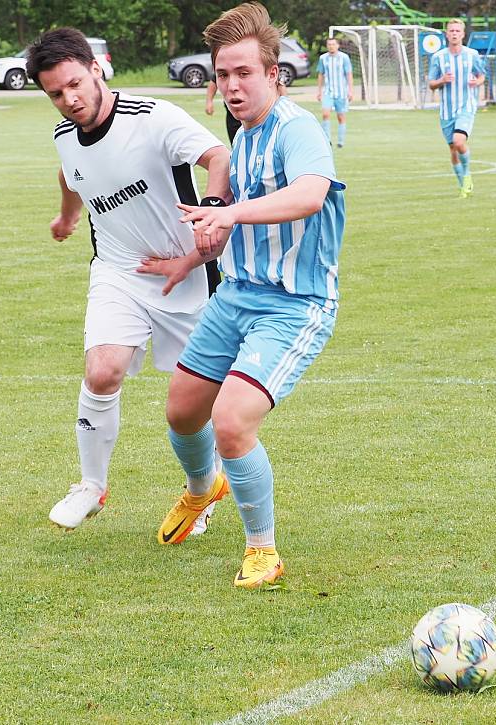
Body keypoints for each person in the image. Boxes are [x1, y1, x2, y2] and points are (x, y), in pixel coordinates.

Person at [156, 1, 346, 589]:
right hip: (235, 296)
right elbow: (230, 227)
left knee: (232, 421)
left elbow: (311, 194)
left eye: (244, 73)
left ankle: (263, 548)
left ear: (274, 75)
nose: (232, 86)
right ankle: (201, 489)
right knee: (182, 413)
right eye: (222, 75)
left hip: (294, 305)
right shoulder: (242, 135)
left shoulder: (298, 128)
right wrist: (190, 254)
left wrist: (231, 210)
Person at [24, 28, 231, 532]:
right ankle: (91, 486)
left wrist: (210, 217)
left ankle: (200, 493)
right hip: (117, 271)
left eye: (75, 83)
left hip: (186, 277)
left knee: (190, 409)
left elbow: (219, 157)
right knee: (102, 371)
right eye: (55, 94)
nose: (69, 100)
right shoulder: (63, 136)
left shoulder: (153, 117)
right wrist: (68, 217)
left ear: (96, 68)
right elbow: (69, 172)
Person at [427, 19, 486, 198]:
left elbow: (481, 74)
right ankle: (463, 186)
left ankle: (467, 174)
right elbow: (431, 84)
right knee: (453, 149)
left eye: (457, 31)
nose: (454, 33)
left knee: (459, 142)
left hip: (466, 107)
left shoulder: (472, 54)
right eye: (451, 30)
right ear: (446, 34)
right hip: (446, 111)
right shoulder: (438, 57)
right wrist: (441, 80)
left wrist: (477, 81)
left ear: (462, 34)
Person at [206, 76, 286, 145]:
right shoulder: (229, 63)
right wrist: (209, 101)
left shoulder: (258, 63)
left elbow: (279, 84)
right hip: (234, 116)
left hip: (258, 115)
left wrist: (284, 104)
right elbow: (214, 80)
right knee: (237, 145)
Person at [317, 37, 354, 148]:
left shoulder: (344, 58)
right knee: (325, 114)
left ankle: (341, 141)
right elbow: (320, 74)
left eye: (333, 44)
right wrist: (319, 91)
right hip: (328, 91)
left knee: (341, 117)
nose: (331, 46)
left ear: (337, 45)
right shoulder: (323, 58)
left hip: (341, 92)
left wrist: (350, 91)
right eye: (329, 44)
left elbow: (349, 74)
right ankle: (327, 140)